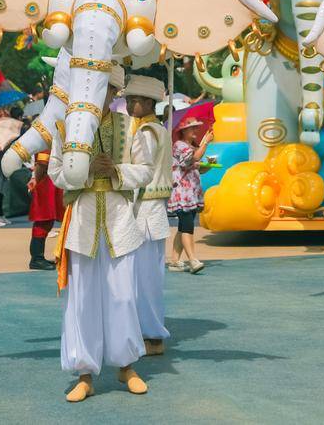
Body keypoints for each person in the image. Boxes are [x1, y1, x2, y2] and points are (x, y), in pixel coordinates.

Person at [49, 65, 154, 402]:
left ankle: (126, 367)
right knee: (82, 302)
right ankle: (84, 374)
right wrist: (81, 171)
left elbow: (146, 170)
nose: (97, 93)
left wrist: (117, 171)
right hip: (81, 224)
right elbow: (55, 173)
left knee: (122, 297)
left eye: (105, 88)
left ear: (114, 93)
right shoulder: (66, 126)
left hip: (120, 223)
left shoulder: (129, 126)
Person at [123, 74, 172, 356]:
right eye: (129, 100)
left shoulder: (146, 133)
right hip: (151, 211)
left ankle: (152, 334)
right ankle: (148, 332)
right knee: (146, 277)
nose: (130, 105)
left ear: (149, 103)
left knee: (144, 279)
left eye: (135, 101)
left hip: (144, 210)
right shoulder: (158, 130)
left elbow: (141, 171)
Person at [167, 115, 212, 274]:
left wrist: (209, 165)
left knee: (183, 227)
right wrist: (205, 142)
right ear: (183, 131)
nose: (196, 130)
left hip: (191, 194)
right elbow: (194, 158)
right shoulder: (179, 145)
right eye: (192, 127)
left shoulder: (190, 145)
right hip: (183, 194)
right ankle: (193, 259)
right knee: (187, 227)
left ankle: (175, 261)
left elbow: (198, 167)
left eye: (196, 127)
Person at [27, 139, 64, 270]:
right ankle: (36, 258)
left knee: (47, 221)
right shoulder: (48, 138)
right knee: (43, 221)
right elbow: (42, 163)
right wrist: (36, 179)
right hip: (48, 183)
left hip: (52, 181)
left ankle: (38, 257)